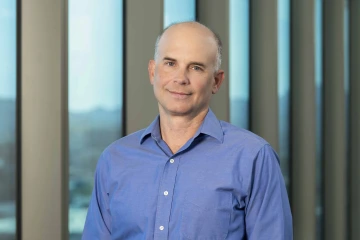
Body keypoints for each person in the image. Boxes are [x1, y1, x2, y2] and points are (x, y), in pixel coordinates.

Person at [82, 21, 293, 240]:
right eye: (170, 63)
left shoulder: (253, 157)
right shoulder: (114, 159)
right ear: (153, 72)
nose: (180, 78)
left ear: (216, 81)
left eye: (196, 67)